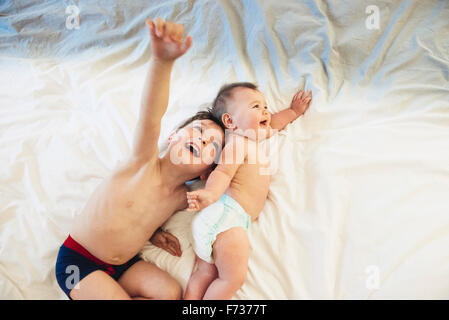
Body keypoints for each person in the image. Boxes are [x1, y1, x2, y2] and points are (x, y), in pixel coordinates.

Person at [55, 18, 225, 300]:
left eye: (212, 147)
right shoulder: (143, 162)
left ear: (207, 171)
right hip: (78, 261)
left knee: (170, 292)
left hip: (122, 265)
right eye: (197, 131)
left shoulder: (184, 197)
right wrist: (163, 62)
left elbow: (140, 214)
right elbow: (151, 115)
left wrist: (153, 234)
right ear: (172, 138)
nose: (202, 139)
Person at [184, 82, 312, 299]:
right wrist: (211, 194)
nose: (265, 111)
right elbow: (223, 172)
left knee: (205, 272)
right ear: (230, 121)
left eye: (265, 106)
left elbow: (275, 124)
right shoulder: (238, 143)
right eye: (255, 107)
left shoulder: (251, 138)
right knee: (232, 279)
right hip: (226, 217)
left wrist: (293, 111)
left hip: (220, 219)